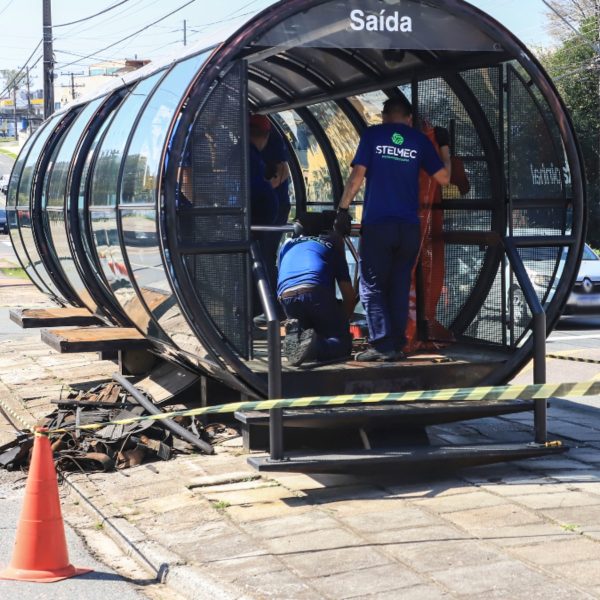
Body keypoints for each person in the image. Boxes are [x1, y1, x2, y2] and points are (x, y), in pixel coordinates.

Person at [335, 96, 450, 362]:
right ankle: (398, 344)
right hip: (409, 228)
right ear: (409, 119)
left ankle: (382, 344)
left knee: (372, 285)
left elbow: (356, 177)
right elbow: (443, 178)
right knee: (399, 284)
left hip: (378, 225)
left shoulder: (373, 135)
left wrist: (343, 210)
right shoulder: (419, 141)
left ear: (385, 116)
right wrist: (443, 146)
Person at [278, 212, 356, 367]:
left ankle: (298, 333)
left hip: (286, 295)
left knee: (308, 329)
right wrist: (343, 319)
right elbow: (348, 295)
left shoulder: (286, 246)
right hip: (315, 291)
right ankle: (316, 348)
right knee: (342, 343)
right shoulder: (331, 246)